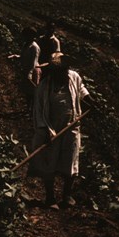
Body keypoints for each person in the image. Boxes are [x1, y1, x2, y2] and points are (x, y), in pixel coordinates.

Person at [29, 53, 90, 209]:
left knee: (71, 161)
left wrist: (91, 101)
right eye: (57, 71)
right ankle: (50, 197)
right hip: (52, 129)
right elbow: (39, 112)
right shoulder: (44, 86)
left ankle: (66, 195)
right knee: (49, 161)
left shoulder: (74, 77)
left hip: (72, 127)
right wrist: (45, 132)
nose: (62, 74)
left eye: (63, 70)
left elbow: (82, 90)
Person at [19, 27, 40, 113]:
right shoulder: (26, 44)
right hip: (27, 69)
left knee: (33, 91)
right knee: (28, 91)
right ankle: (28, 109)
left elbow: (33, 62)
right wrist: (17, 57)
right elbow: (25, 56)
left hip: (33, 70)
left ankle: (33, 110)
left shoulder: (34, 47)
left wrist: (29, 74)